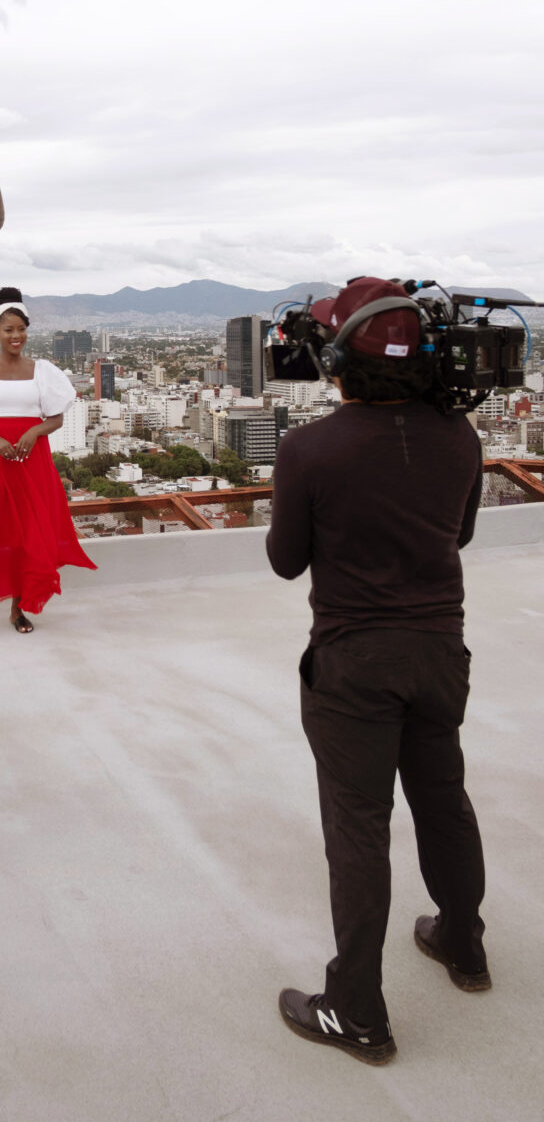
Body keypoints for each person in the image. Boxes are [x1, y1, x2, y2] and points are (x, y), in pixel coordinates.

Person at [266, 277, 488, 1065]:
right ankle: (463, 944)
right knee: (442, 795)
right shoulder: (459, 436)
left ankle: (355, 1009)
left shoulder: (310, 449)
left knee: (358, 828)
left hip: (355, 663)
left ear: (336, 359)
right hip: (439, 650)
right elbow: (455, 535)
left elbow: (286, 562)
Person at [0, 286, 96, 642]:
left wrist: (33, 432)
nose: (16, 336)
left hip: (32, 459)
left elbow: (56, 419)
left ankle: (18, 609)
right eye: (8, 329)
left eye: (21, 329)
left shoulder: (42, 371)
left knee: (26, 535)